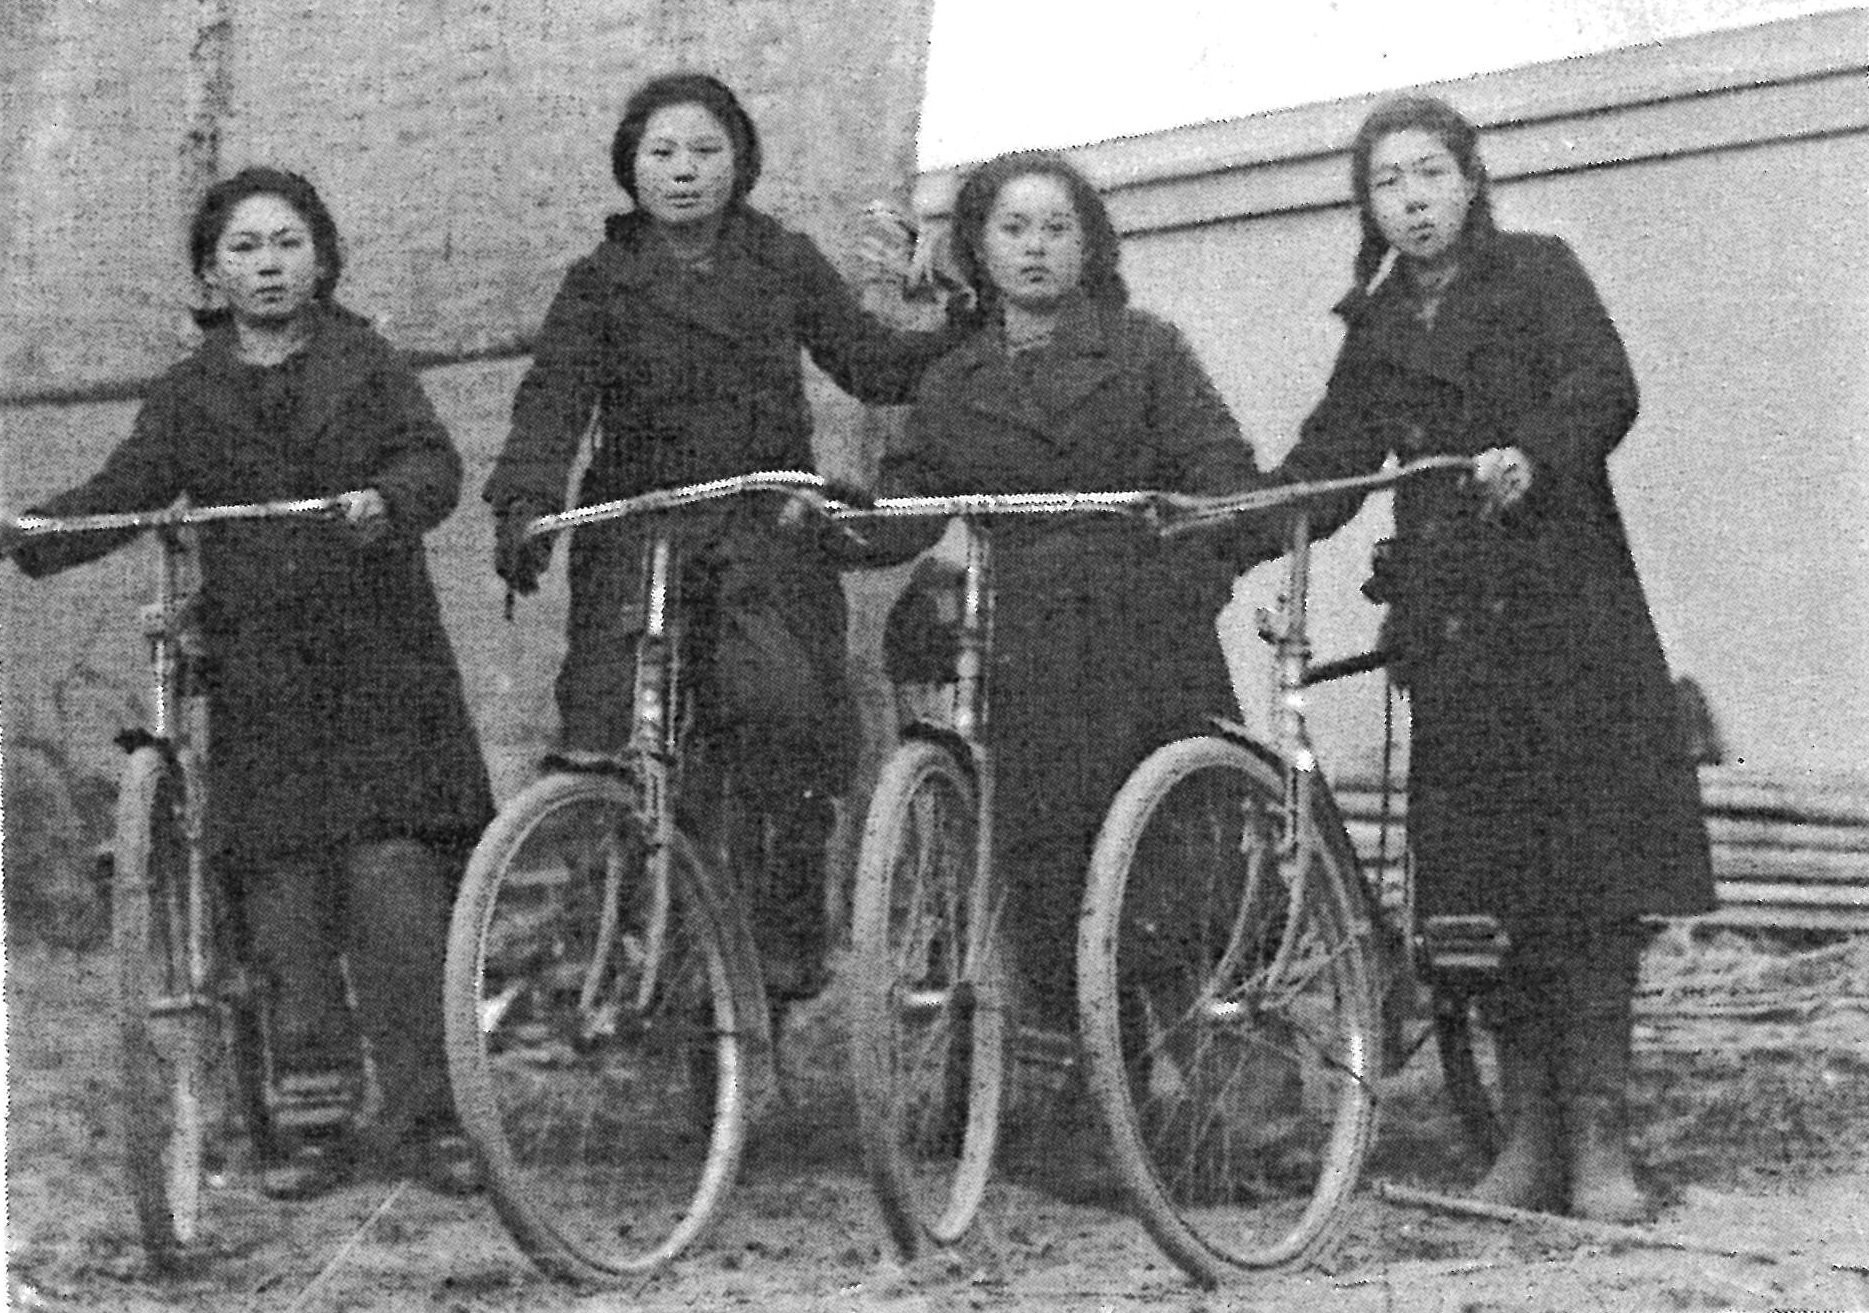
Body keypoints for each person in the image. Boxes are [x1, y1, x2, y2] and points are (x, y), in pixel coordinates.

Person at [1251, 95, 1715, 1222]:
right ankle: (1526, 1129)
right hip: (1453, 624)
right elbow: (1337, 453)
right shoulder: (1376, 326)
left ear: (1471, 180)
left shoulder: (1541, 272)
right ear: (1368, 205)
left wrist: (1534, 453)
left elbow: (1605, 386)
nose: (1410, 201)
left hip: (1568, 613)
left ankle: (1599, 1136)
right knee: (1486, 887)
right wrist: (1242, 519)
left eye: (1427, 175)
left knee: (1590, 882)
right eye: (1385, 184)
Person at [1, 167, 494, 1200]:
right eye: (244, 250)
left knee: (393, 884)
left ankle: (430, 1115)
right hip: (264, 677)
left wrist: (388, 499)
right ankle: (312, 1121)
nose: (267, 266)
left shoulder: (368, 364)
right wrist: (35, 532)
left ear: (320, 257)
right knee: (283, 901)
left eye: (286, 245)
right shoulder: (190, 395)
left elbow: (434, 463)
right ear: (211, 273)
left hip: (380, 671)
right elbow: (127, 489)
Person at [483, 72, 965, 1005]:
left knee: (781, 712)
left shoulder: (780, 260)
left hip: (759, 530)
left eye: (705, 151)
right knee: (605, 730)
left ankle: (782, 929)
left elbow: (867, 363)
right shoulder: (599, 283)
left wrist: (954, 326)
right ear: (630, 167)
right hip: (638, 534)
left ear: (739, 161)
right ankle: (620, 939)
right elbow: (551, 404)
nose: (683, 172)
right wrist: (525, 502)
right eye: (661, 153)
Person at [864, 150, 1263, 1046]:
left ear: (1089, 245)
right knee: (1045, 866)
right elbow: (907, 505)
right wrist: (826, 523)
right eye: (1012, 229)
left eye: (1056, 228)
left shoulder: (1145, 350)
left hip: (1144, 636)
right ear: (976, 246)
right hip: (1023, 650)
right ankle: (1084, 1079)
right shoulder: (953, 380)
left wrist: (1192, 560)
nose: (1034, 248)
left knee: (1176, 863)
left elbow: (1218, 474)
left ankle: (1223, 1083)